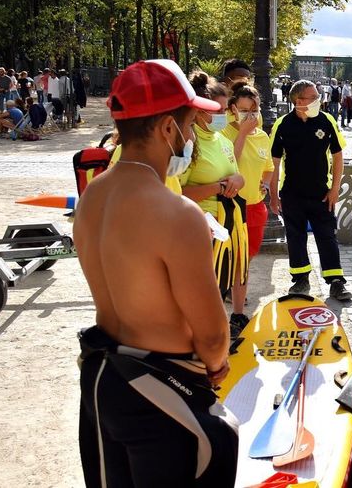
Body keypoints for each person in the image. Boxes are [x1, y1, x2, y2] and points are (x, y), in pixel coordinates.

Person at [74, 59, 237, 487]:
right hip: (163, 391)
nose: (193, 135)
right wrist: (217, 365)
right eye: (190, 123)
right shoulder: (176, 213)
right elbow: (213, 336)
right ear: (168, 129)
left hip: (105, 379)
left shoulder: (93, 196)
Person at [179, 71, 250, 337]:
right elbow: (178, 191)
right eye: (217, 110)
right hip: (201, 226)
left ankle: (225, 326)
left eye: (224, 110)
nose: (223, 116)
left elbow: (237, 172)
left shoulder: (222, 140)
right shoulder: (189, 141)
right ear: (199, 111)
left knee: (226, 280)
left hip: (228, 223)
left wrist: (237, 180)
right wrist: (217, 187)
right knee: (202, 289)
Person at [270, 80, 352, 301]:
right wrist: (273, 195)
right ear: (299, 101)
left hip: (322, 193)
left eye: (318, 96)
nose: (319, 100)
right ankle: (300, 279)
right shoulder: (282, 125)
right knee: (295, 238)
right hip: (291, 194)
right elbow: (274, 163)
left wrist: (335, 189)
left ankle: (336, 282)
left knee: (327, 237)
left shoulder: (327, 121)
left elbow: (338, 156)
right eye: (314, 97)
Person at [222, 82, 273, 332]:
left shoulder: (263, 135)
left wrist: (265, 184)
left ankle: (234, 300)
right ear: (233, 109)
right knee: (236, 262)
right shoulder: (225, 133)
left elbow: (268, 166)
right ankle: (236, 313)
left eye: (254, 110)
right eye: (244, 110)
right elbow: (229, 161)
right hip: (231, 206)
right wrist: (241, 132)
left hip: (255, 205)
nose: (250, 116)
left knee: (248, 258)